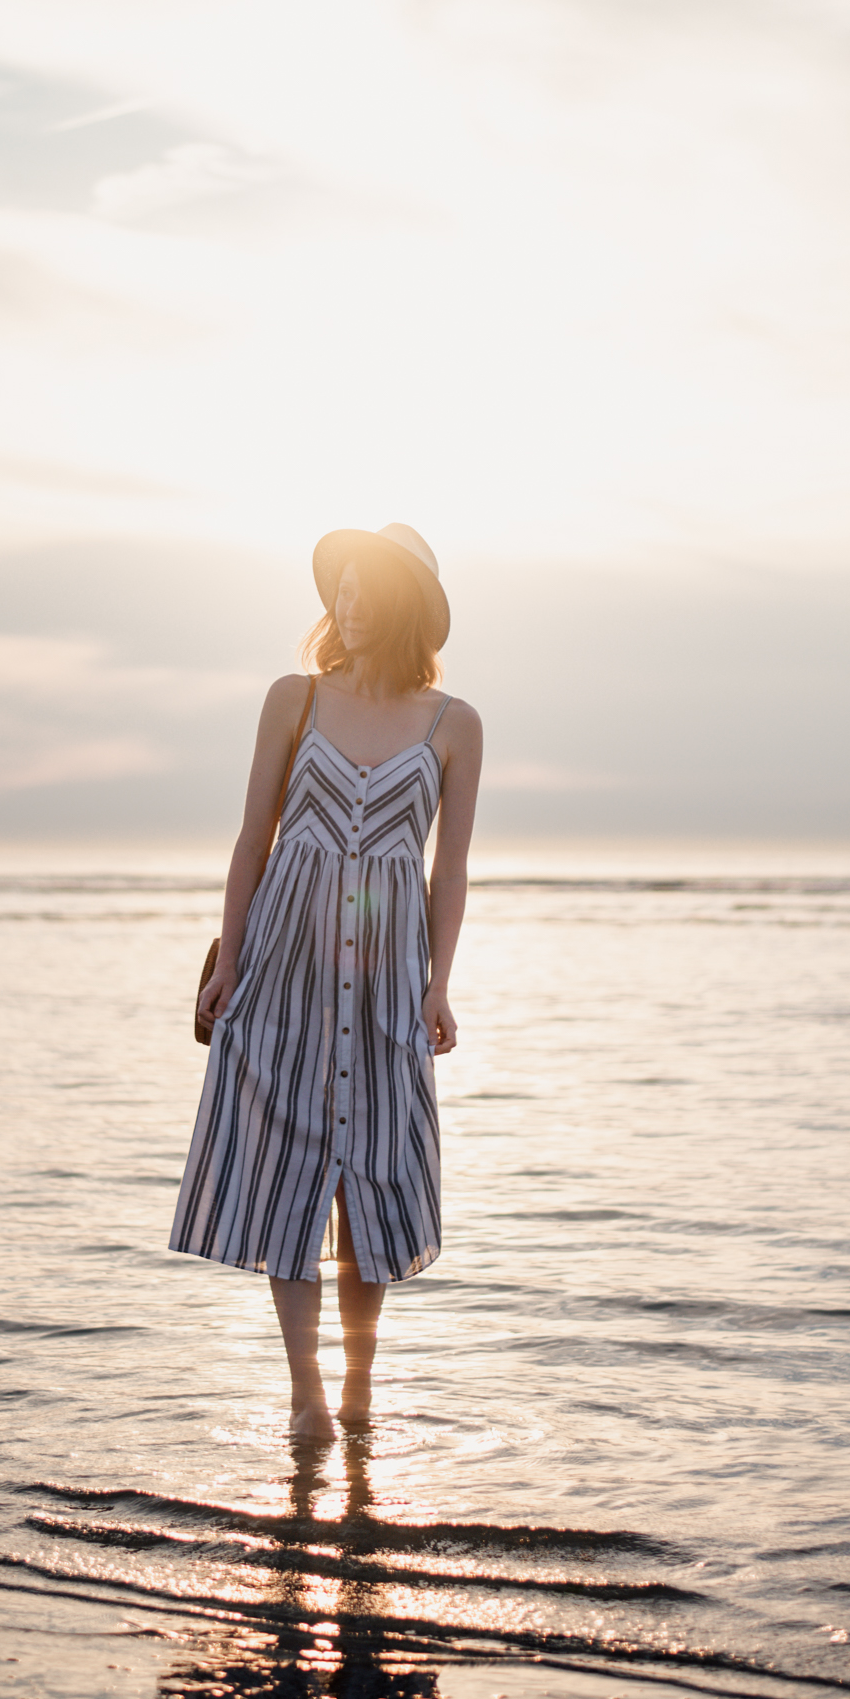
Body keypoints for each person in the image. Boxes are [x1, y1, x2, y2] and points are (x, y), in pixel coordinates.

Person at [169, 523, 482, 1440]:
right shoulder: (293, 698)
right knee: (286, 1170)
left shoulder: (453, 724)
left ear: (404, 604)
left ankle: (359, 1389)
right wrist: (228, 959)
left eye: (363, 586)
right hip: (283, 966)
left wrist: (439, 983)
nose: (344, 599)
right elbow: (251, 841)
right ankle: (307, 1395)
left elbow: (446, 872)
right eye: (337, 584)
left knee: (376, 1174)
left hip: (388, 982)